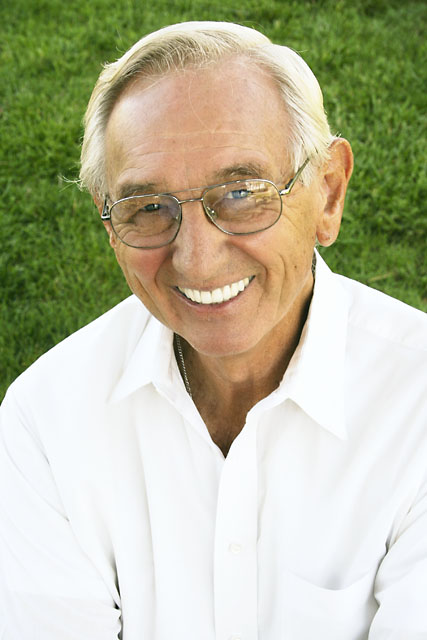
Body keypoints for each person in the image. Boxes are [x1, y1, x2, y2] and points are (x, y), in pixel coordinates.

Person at [0, 20, 426, 640]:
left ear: (329, 194)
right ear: (109, 226)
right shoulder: (44, 422)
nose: (197, 261)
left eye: (243, 193)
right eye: (148, 209)